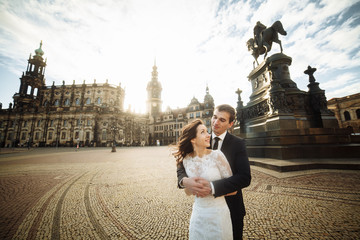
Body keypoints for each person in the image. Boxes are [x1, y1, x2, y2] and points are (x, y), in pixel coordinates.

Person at [177, 104, 251, 239]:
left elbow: (244, 177)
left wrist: (212, 187)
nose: (215, 123)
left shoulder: (238, 143)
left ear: (231, 124)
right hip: (201, 211)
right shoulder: (201, 138)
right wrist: (184, 180)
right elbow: (183, 163)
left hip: (231, 206)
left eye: (222, 120)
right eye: (214, 117)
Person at [173, 119, 236, 239]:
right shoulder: (186, 160)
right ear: (193, 139)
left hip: (218, 215)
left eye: (207, 131)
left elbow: (234, 189)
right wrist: (190, 186)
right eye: (203, 132)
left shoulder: (217, 155)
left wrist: (211, 188)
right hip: (198, 215)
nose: (208, 135)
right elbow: (187, 192)